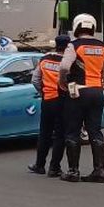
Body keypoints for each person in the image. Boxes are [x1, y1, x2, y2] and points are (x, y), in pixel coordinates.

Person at [59, 14, 104, 183]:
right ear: (93, 28)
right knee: (95, 131)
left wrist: (62, 82)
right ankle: (99, 171)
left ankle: (73, 171)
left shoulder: (74, 45)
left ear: (76, 27)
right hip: (97, 93)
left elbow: (64, 66)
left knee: (73, 130)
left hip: (78, 93)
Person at [29, 35, 71, 177]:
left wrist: (43, 91)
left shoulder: (45, 59)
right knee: (60, 135)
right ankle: (54, 168)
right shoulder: (68, 62)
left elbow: (35, 80)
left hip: (47, 100)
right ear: (68, 46)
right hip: (63, 101)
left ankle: (39, 165)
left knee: (44, 134)